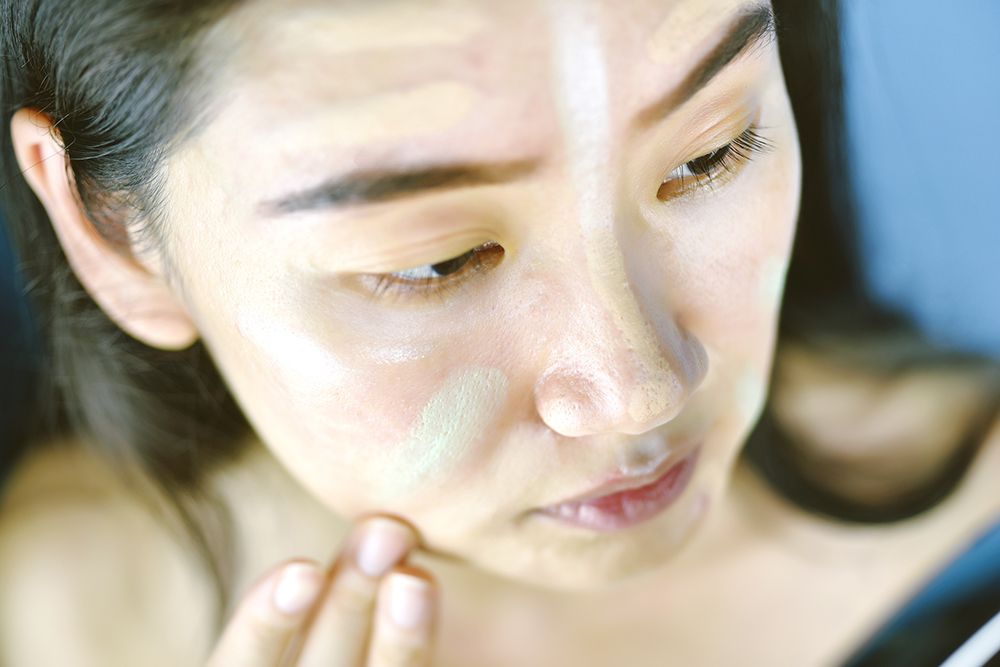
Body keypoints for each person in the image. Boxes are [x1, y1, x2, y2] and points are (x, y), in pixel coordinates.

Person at [0, 0, 997, 665]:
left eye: (708, 155)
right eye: (436, 261)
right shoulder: (53, 615)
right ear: (116, 236)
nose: (641, 386)